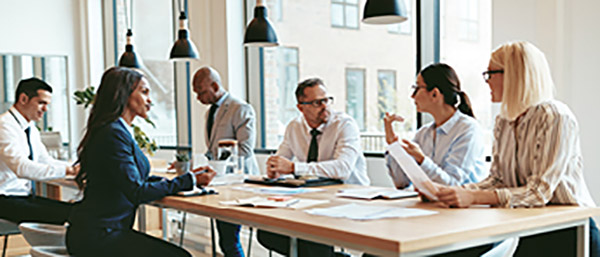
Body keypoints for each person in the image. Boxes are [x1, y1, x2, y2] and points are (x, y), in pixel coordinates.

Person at [432, 41, 600, 257]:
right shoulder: (504, 120)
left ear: (514, 75)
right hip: (531, 228)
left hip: (570, 233)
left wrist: (472, 198)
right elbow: (497, 179)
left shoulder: (555, 117)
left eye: (490, 73)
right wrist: (456, 193)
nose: (487, 81)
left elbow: (537, 193)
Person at [66, 67, 216, 257]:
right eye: (144, 92)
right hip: (98, 236)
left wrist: (190, 177)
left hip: (101, 230)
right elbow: (137, 191)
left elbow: (131, 179)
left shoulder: (116, 130)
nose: (150, 100)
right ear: (124, 94)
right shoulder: (113, 134)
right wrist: (188, 181)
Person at [257, 78, 370, 257]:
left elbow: (343, 169)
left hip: (349, 199)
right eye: (317, 103)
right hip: (311, 199)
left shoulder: (344, 125)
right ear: (301, 107)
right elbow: (281, 159)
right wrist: (274, 168)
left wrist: (294, 167)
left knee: (310, 239)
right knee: (267, 233)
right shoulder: (294, 127)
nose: (325, 106)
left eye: (327, 100)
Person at [384, 63, 487, 189]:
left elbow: (452, 185)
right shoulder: (423, 133)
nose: (412, 96)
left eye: (417, 88)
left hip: (463, 208)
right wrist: (393, 145)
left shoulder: (468, 130)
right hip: (431, 205)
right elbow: (401, 183)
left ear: (434, 94)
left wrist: (421, 159)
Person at [192, 66, 259, 257]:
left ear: (214, 86)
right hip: (219, 185)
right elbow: (212, 150)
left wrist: (217, 163)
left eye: (201, 92)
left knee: (229, 240)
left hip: (239, 183)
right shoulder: (209, 112)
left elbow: (245, 150)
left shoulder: (240, 108)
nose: (198, 98)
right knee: (226, 240)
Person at [0, 77, 78, 225]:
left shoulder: (31, 129)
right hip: (4, 199)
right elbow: (22, 168)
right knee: (71, 214)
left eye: (47, 104)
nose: (45, 109)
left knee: (75, 210)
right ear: (23, 99)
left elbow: (45, 160)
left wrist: (74, 168)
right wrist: (69, 170)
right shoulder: (4, 126)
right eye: (41, 103)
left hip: (22, 197)